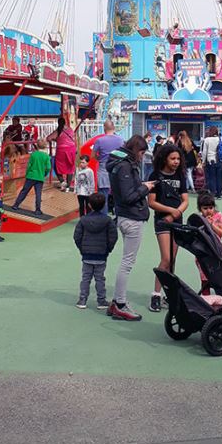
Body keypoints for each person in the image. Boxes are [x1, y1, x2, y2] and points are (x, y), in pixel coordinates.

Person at [106, 135, 153, 321]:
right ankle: (120, 303)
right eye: (141, 152)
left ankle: (117, 301)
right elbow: (128, 195)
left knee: (126, 262)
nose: (142, 157)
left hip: (124, 215)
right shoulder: (126, 166)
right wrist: (145, 188)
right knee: (127, 263)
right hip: (132, 216)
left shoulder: (117, 162)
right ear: (136, 150)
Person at [148, 142, 189, 312]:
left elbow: (185, 200)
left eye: (178, 158)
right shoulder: (155, 175)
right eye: (173, 158)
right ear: (165, 159)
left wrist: (177, 212)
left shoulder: (180, 176)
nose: (176, 161)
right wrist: (170, 211)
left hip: (177, 222)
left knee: (172, 260)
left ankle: (169, 294)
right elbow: (151, 202)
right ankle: (155, 295)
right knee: (166, 259)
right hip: (162, 222)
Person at [73, 191, 118, 310]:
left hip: (87, 255)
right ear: (104, 205)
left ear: (89, 205)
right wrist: (108, 249)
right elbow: (113, 236)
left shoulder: (83, 220)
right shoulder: (108, 220)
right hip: (101, 254)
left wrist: (82, 249)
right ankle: (101, 301)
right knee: (100, 278)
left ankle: (82, 300)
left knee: (85, 278)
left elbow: (77, 236)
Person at [196, 190, 222, 296]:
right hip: (203, 252)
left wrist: (212, 225)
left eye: (211, 208)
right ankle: (206, 299)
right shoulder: (198, 219)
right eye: (205, 208)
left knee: (219, 276)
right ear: (200, 209)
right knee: (204, 277)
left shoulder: (218, 216)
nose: (208, 211)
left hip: (217, 251)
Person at [11, 139, 51, 215]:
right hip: (40, 177)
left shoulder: (33, 154)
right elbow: (48, 167)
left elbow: (29, 166)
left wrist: (27, 174)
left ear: (37, 146)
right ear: (45, 146)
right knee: (38, 194)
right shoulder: (46, 156)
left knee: (24, 191)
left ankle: (16, 205)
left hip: (31, 176)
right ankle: (38, 210)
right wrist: (45, 174)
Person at [92, 119, 123, 214]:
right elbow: (123, 154)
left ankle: (103, 217)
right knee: (118, 195)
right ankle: (119, 216)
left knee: (103, 196)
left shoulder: (99, 140)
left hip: (103, 168)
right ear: (113, 127)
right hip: (118, 168)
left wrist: (100, 158)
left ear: (104, 128)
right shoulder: (120, 140)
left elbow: (92, 155)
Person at [54, 115, 77, 191]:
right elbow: (74, 139)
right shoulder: (70, 130)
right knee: (70, 167)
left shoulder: (58, 130)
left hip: (61, 151)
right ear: (65, 122)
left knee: (57, 166)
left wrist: (57, 140)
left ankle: (62, 181)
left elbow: (48, 138)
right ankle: (68, 186)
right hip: (71, 150)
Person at [200, 126, 222, 197]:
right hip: (219, 160)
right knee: (218, 177)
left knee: (211, 177)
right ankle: (219, 194)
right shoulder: (219, 139)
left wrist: (203, 161)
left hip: (210, 160)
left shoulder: (207, 140)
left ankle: (213, 192)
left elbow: (204, 152)